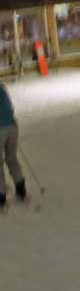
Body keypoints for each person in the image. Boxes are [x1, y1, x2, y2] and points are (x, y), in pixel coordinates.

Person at [0, 80, 27, 209]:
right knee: (12, 158)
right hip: (12, 127)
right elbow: (10, 107)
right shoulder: (2, 87)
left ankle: (1, 197)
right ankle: (21, 189)